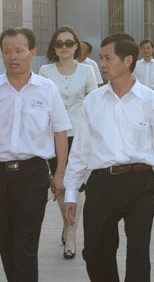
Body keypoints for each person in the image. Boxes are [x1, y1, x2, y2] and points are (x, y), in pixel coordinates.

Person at [63, 33, 154, 281]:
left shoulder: (151, 101)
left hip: (140, 183)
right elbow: (80, 151)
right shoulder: (93, 101)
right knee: (95, 252)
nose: (102, 64)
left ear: (128, 60)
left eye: (108, 58)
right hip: (102, 183)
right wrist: (71, 192)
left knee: (138, 255)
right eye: (100, 58)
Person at [0, 28, 72, 282]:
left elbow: (60, 132)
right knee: (7, 242)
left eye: (19, 51)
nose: (13, 57)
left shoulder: (47, 89)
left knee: (25, 244)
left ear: (32, 53)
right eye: (7, 51)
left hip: (33, 174)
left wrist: (60, 173)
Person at [39, 26, 97, 259]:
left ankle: (71, 234)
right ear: (53, 47)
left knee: (77, 183)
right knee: (60, 182)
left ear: (76, 46)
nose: (64, 47)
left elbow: (93, 103)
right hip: (54, 135)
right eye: (59, 43)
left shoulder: (87, 70)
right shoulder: (45, 71)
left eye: (69, 43)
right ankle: (67, 224)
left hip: (80, 134)